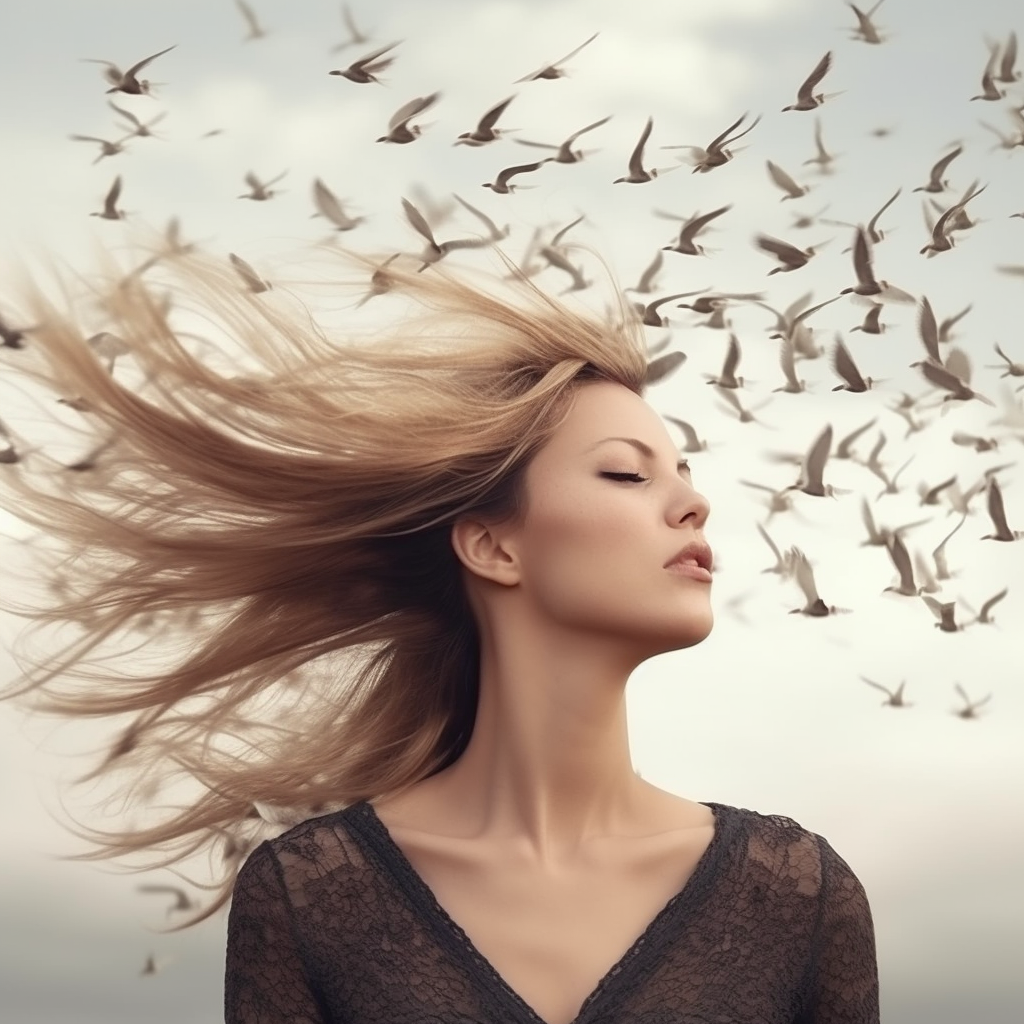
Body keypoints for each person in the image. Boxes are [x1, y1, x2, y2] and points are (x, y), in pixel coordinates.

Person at [0, 246, 879, 1024]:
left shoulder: (795, 892)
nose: (694, 500)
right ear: (494, 546)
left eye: (683, 473)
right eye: (624, 473)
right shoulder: (315, 896)